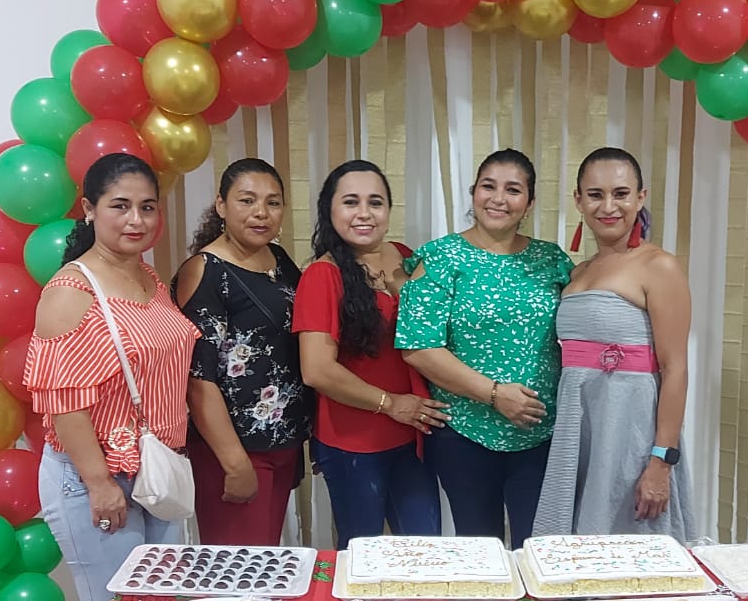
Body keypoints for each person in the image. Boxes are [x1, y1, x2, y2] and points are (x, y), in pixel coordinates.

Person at [25, 153, 200, 601]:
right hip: (95, 478)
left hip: (155, 471)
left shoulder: (149, 277)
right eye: (120, 206)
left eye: (148, 207)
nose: (136, 220)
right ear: (89, 209)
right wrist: (100, 484)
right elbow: (63, 400)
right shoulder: (71, 291)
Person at [396, 148, 572, 545]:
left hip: (541, 433)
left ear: (529, 202)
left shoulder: (551, 260)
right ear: (473, 192)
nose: (498, 199)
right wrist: (495, 395)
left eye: (513, 190)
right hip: (464, 435)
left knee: (541, 549)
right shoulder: (441, 257)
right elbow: (418, 347)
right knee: (480, 552)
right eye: (488, 186)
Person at [533, 146, 695, 540]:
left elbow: (675, 369)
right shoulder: (578, 272)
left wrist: (661, 462)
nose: (608, 206)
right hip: (577, 431)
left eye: (621, 194)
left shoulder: (659, 266)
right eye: (595, 194)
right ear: (578, 200)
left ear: (640, 198)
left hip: (631, 434)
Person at [294, 160, 448, 546]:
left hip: (414, 434)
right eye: (351, 202)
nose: (364, 213)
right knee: (362, 553)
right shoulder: (322, 275)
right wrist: (391, 403)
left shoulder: (406, 257)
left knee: (426, 550)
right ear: (329, 210)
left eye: (375, 202)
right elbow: (317, 370)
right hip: (354, 442)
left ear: (389, 210)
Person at [173, 158, 311, 546]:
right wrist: (234, 462)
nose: (261, 213)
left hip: (282, 442)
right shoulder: (205, 270)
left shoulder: (279, 260)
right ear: (221, 205)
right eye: (247, 200)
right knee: (237, 568)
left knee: (267, 560)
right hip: (233, 450)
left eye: (273, 202)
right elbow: (197, 379)